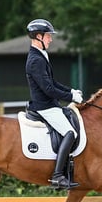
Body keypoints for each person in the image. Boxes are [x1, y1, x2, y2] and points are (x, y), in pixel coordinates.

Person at [25, 18, 83, 190]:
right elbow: (49, 89)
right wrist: (70, 97)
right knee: (70, 132)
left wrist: (71, 91)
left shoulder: (41, 56)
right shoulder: (36, 60)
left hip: (50, 104)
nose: (50, 39)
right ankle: (57, 176)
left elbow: (53, 82)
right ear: (38, 36)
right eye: (48, 36)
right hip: (45, 106)